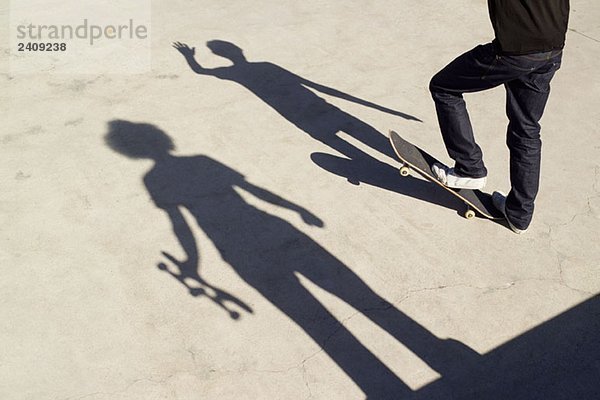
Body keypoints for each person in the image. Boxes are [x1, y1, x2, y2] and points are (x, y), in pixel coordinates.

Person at [429, 0, 570, 234]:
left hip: (517, 49)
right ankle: (519, 214)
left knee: (444, 88)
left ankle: (469, 170)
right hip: (552, 48)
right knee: (526, 129)